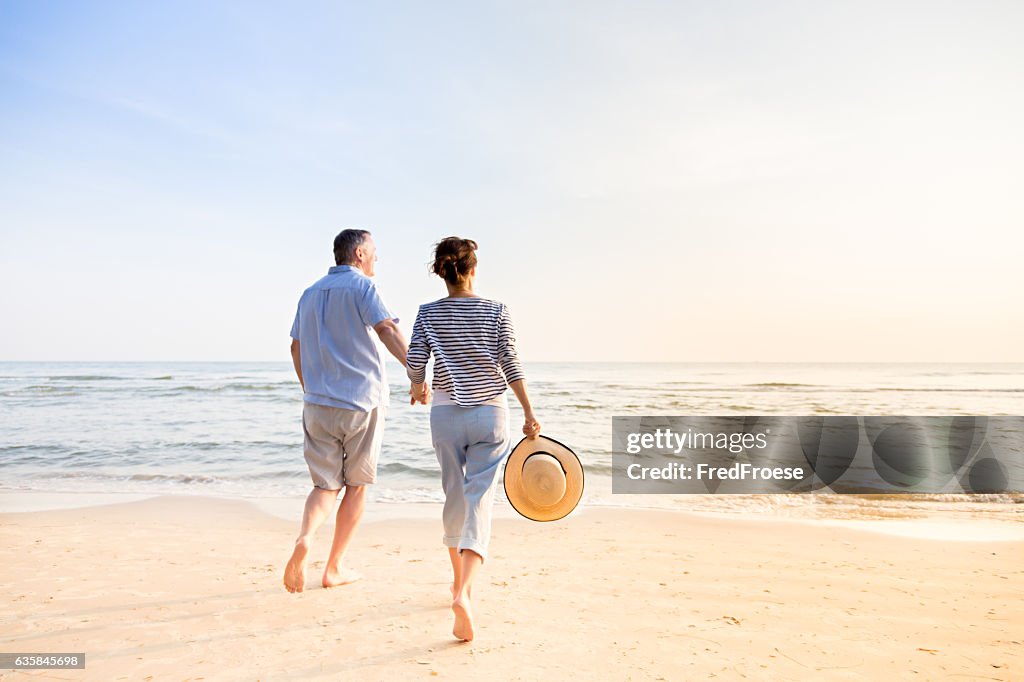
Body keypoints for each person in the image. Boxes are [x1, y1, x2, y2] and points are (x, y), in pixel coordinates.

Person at [406, 236, 541, 642]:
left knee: (454, 495)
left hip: (446, 414)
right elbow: (510, 361)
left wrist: (418, 387)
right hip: (490, 414)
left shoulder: (427, 313)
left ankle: (455, 584)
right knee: (479, 498)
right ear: (473, 269)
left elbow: (416, 360)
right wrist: (529, 411)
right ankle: (465, 592)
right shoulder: (496, 310)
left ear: (440, 272)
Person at [284, 229, 419, 593]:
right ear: (359, 253)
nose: (377, 258)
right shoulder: (363, 288)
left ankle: (305, 536)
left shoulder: (309, 293)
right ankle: (334, 567)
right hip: (361, 401)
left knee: (324, 486)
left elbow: (296, 347)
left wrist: (310, 388)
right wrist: (416, 374)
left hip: (318, 404)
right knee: (357, 487)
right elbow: (387, 329)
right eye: (374, 251)